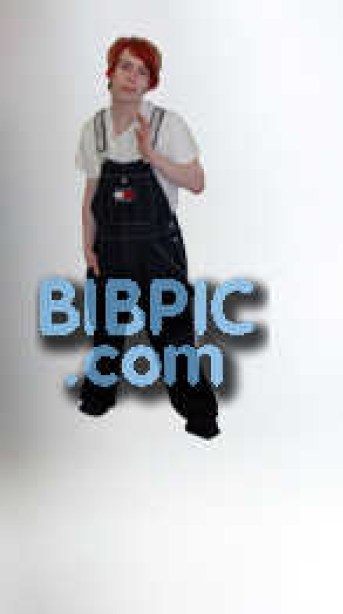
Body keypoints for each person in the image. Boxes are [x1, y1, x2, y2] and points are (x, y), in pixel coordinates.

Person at [75, 33, 218, 438]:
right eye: (125, 66)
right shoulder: (94, 129)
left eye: (142, 71)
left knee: (172, 336)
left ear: (150, 82)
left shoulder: (166, 124)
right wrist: (87, 244)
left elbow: (197, 182)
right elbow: (91, 194)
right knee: (105, 329)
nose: (132, 77)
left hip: (158, 251)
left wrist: (152, 155)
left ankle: (200, 415)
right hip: (109, 248)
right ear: (110, 72)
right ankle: (97, 399)